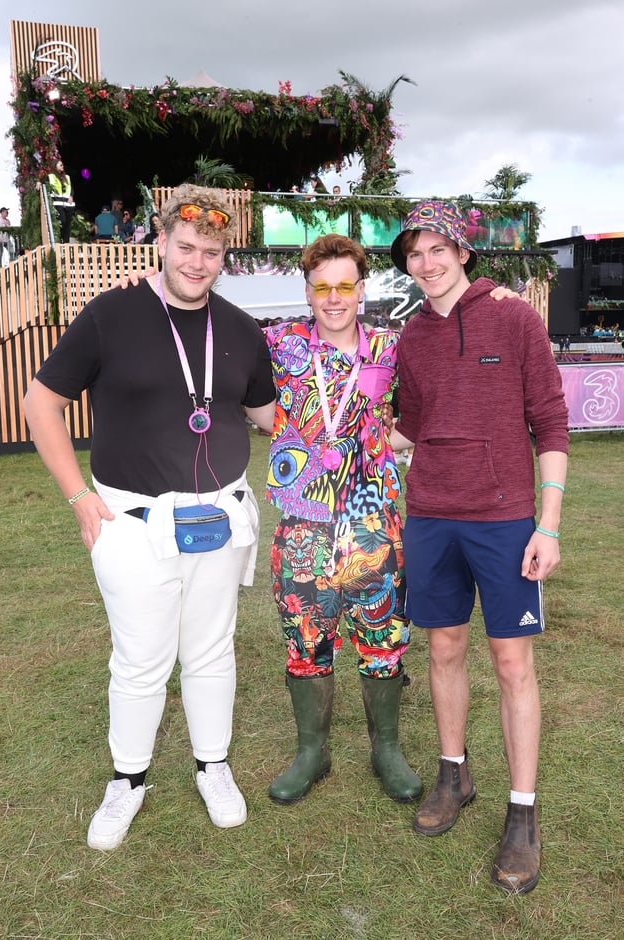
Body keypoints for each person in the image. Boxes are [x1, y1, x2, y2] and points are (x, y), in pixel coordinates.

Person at [23, 183, 276, 850]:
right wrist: (79, 497)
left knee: (212, 651)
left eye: (211, 252)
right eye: (185, 247)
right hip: (131, 523)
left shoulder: (241, 329)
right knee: (139, 661)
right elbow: (40, 403)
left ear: (224, 256)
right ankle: (128, 780)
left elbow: (267, 414)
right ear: (160, 242)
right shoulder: (112, 314)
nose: (197, 262)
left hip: (220, 518)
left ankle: (213, 766)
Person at [389, 200, 569, 895]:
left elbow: (550, 421)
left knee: (512, 662)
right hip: (431, 516)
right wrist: (326, 434)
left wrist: (547, 525)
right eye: (415, 253)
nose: (427, 263)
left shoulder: (515, 318)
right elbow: (411, 424)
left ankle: (522, 813)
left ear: (464, 253)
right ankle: (453, 774)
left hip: (504, 519)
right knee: (442, 650)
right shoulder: (411, 336)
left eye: (438, 249)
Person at [262, 233, 423, 807]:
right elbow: (205, 329)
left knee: (383, 637)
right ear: (308, 292)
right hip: (304, 522)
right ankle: (313, 752)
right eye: (322, 287)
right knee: (306, 639)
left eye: (345, 286)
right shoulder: (279, 344)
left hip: (372, 519)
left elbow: (425, 405)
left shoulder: (390, 346)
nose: (334, 298)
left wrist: (380, 446)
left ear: (362, 290)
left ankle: (387, 749)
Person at [47, 160, 75, 242]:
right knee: (62, 221)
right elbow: (43, 181)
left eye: (62, 164)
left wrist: (71, 196)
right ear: (55, 166)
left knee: (67, 225)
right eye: (60, 164)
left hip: (68, 204)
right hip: (57, 203)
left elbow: (71, 188)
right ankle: (60, 239)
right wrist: (38, 182)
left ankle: (66, 243)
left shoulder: (67, 177)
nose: (62, 165)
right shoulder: (51, 176)